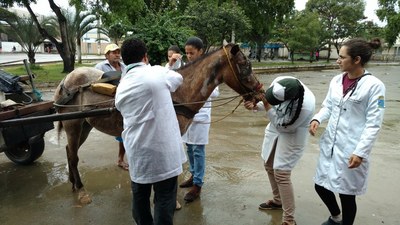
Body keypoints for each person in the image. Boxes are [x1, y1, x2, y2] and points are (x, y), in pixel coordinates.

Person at [309, 38, 385, 225]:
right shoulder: (336, 80)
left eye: (342, 57)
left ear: (356, 59)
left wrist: (360, 152)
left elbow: (373, 123)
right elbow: (328, 105)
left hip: (352, 147)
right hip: (331, 145)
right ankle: (335, 217)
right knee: (320, 185)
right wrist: (317, 118)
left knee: (347, 194)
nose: (338, 60)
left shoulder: (375, 86)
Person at [115, 38, 186, 225]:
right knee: (164, 199)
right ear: (145, 57)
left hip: (138, 154)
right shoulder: (156, 72)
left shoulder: (122, 85)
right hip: (164, 153)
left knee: (140, 198)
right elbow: (177, 79)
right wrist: (170, 66)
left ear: (124, 60)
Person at [244, 76, 315, 225]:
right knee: (268, 164)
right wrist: (255, 105)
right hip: (275, 129)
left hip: (292, 133)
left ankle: (289, 219)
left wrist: (266, 104)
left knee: (282, 174)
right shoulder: (281, 81)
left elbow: (283, 125)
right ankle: (278, 201)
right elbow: (271, 103)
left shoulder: (305, 106)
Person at [179, 36, 219, 202]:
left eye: (192, 53)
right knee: (188, 147)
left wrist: (198, 85)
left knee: (198, 150)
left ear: (200, 52)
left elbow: (215, 93)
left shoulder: (209, 69)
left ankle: (198, 185)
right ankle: (193, 175)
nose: (189, 56)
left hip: (201, 114)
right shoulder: (186, 67)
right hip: (187, 114)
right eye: (187, 53)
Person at [95, 43, 128, 170]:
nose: (117, 54)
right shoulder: (100, 67)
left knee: (124, 130)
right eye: (113, 52)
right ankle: (121, 158)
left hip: (123, 101)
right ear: (107, 55)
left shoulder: (124, 66)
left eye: (118, 52)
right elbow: (95, 85)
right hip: (108, 101)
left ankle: (120, 158)